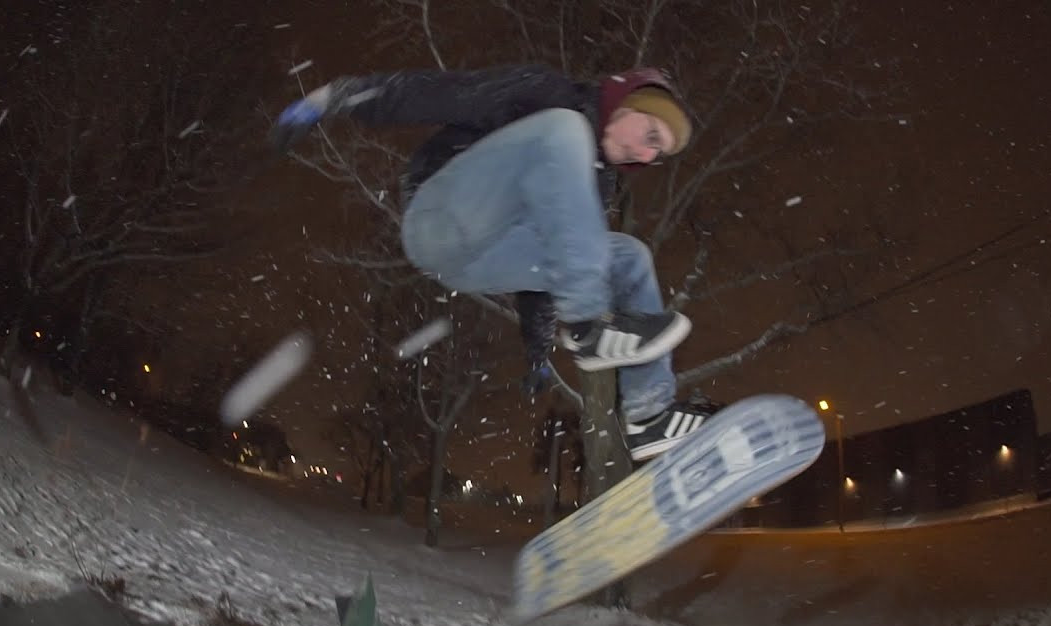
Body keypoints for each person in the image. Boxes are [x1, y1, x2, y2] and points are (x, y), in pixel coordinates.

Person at [270, 64, 717, 461]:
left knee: (627, 256)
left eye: (657, 155)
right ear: (625, 103)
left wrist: (538, 350)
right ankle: (589, 329)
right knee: (565, 130)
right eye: (651, 137)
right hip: (442, 218)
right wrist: (339, 96)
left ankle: (649, 415)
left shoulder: (597, 185)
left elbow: (561, 262)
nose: (647, 156)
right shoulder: (546, 94)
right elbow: (443, 92)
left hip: (487, 261)